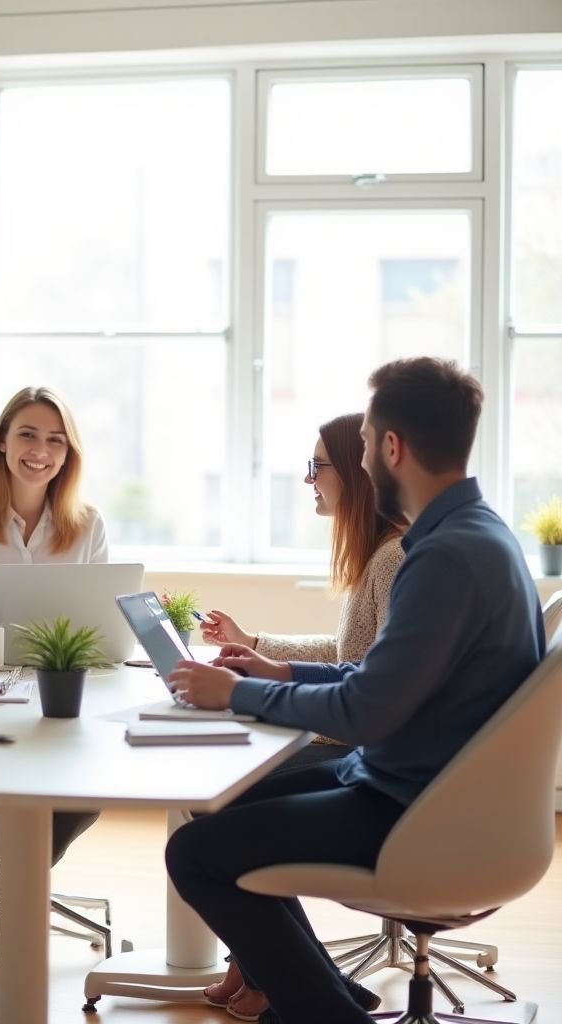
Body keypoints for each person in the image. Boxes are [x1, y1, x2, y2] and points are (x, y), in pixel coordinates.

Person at [164, 357, 545, 1024]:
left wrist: (234, 695)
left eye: (365, 444)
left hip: (416, 809)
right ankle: (326, 1000)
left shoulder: (444, 557)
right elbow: (382, 676)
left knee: (194, 854)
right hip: (422, 784)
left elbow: (365, 711)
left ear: (391, 447)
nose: (362, 462)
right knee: (223, 798)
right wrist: (281, 673)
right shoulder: (477, 535)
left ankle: (324, 1013)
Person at [198, 412, 404, 1019]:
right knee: (221, 798)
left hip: (359, 747)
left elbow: (370, 680)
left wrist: (256, 683)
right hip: (353, 736)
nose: (309, 479)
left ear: (357, 473)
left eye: (318, 466)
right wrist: (256, 646)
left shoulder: (392, 559)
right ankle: (278, 972)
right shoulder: (378, 554)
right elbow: (349, 654)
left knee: (222, 801)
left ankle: (270, 973)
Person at [0, 385, 106, 866]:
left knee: (88, 788)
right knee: (8, 778)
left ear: (68, 453)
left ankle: (19, 877)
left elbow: (98, 626)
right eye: (28, 435)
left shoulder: (89, 525)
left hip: (64, 693)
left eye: (55, 440)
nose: (40, 451)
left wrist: (37, 650)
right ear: (2, 442)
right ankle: (19, 882)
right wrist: (51, 647)